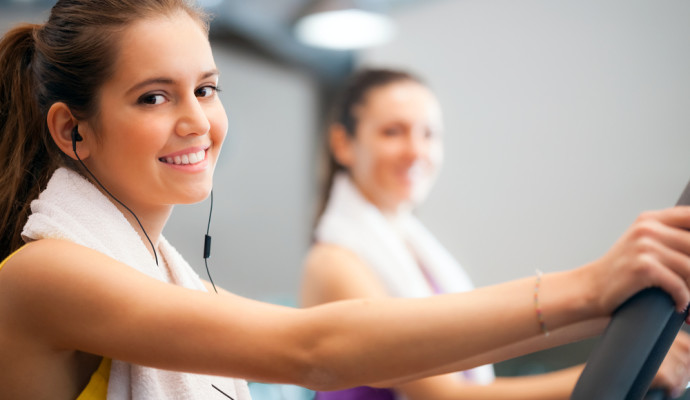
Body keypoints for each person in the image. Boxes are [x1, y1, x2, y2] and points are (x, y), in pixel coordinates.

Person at [1, 1, 690, 399]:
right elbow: (317, 347)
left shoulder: (159, 277)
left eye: (206, 89)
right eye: (154, 96)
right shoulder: (44, 276)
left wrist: (605, 311)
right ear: (73, 129)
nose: (196, 121)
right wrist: (593, 288)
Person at [300, 68, 690, 400]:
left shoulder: (413, 251)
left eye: (429, 133)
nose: (416, 150)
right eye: (392, 131)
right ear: (342, 144)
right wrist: (618, 366)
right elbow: (443, 396)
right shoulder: (335, 261)